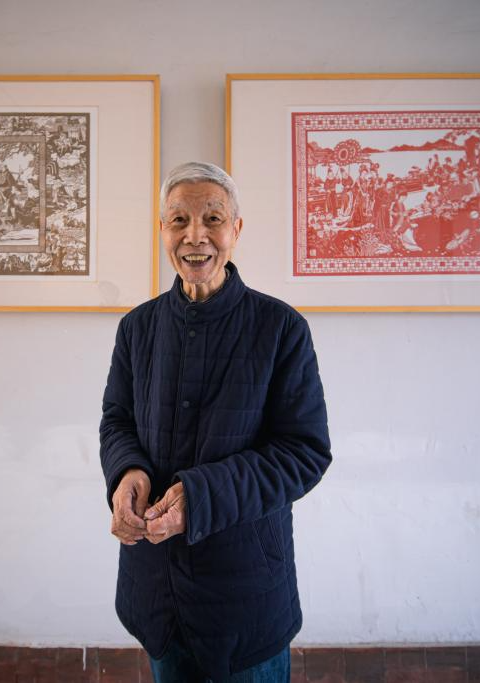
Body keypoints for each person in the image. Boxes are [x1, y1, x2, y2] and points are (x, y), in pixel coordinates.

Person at [100, 162, 331, 682]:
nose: (195, 236)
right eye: (179, 220)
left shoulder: (281, 328)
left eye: (212, 218)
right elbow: (117, 421)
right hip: (157, 590)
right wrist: (126, 473)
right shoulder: (137, 327)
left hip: (245, 592)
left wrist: (199, 498)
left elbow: (305, 453)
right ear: (162, 230)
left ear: (236, 229)